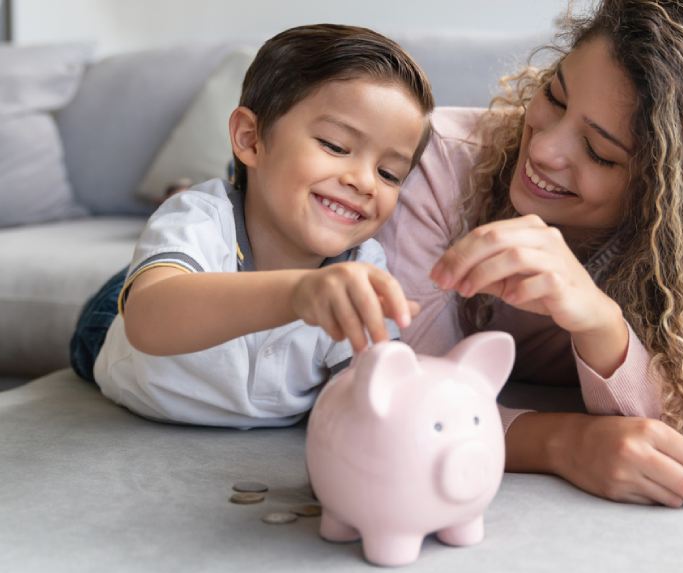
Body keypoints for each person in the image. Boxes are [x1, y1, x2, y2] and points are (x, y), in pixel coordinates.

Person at [375, 0, 683, 507]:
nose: (544, 150)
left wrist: (601, 323)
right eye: (554, 98)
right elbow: (406, 401)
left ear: (666, 189)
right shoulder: (436, 165)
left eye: (599, 152)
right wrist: (564, 442)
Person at [69, 24, 434, 428]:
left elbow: (368, 396)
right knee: (151, 269)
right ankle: (169, 230)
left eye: (389, 173)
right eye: (334, 146)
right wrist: (298, 294)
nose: (364, 182)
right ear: (250, 138)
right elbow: (147, 320)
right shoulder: (202, 219)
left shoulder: (363, 268)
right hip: (120, 326)